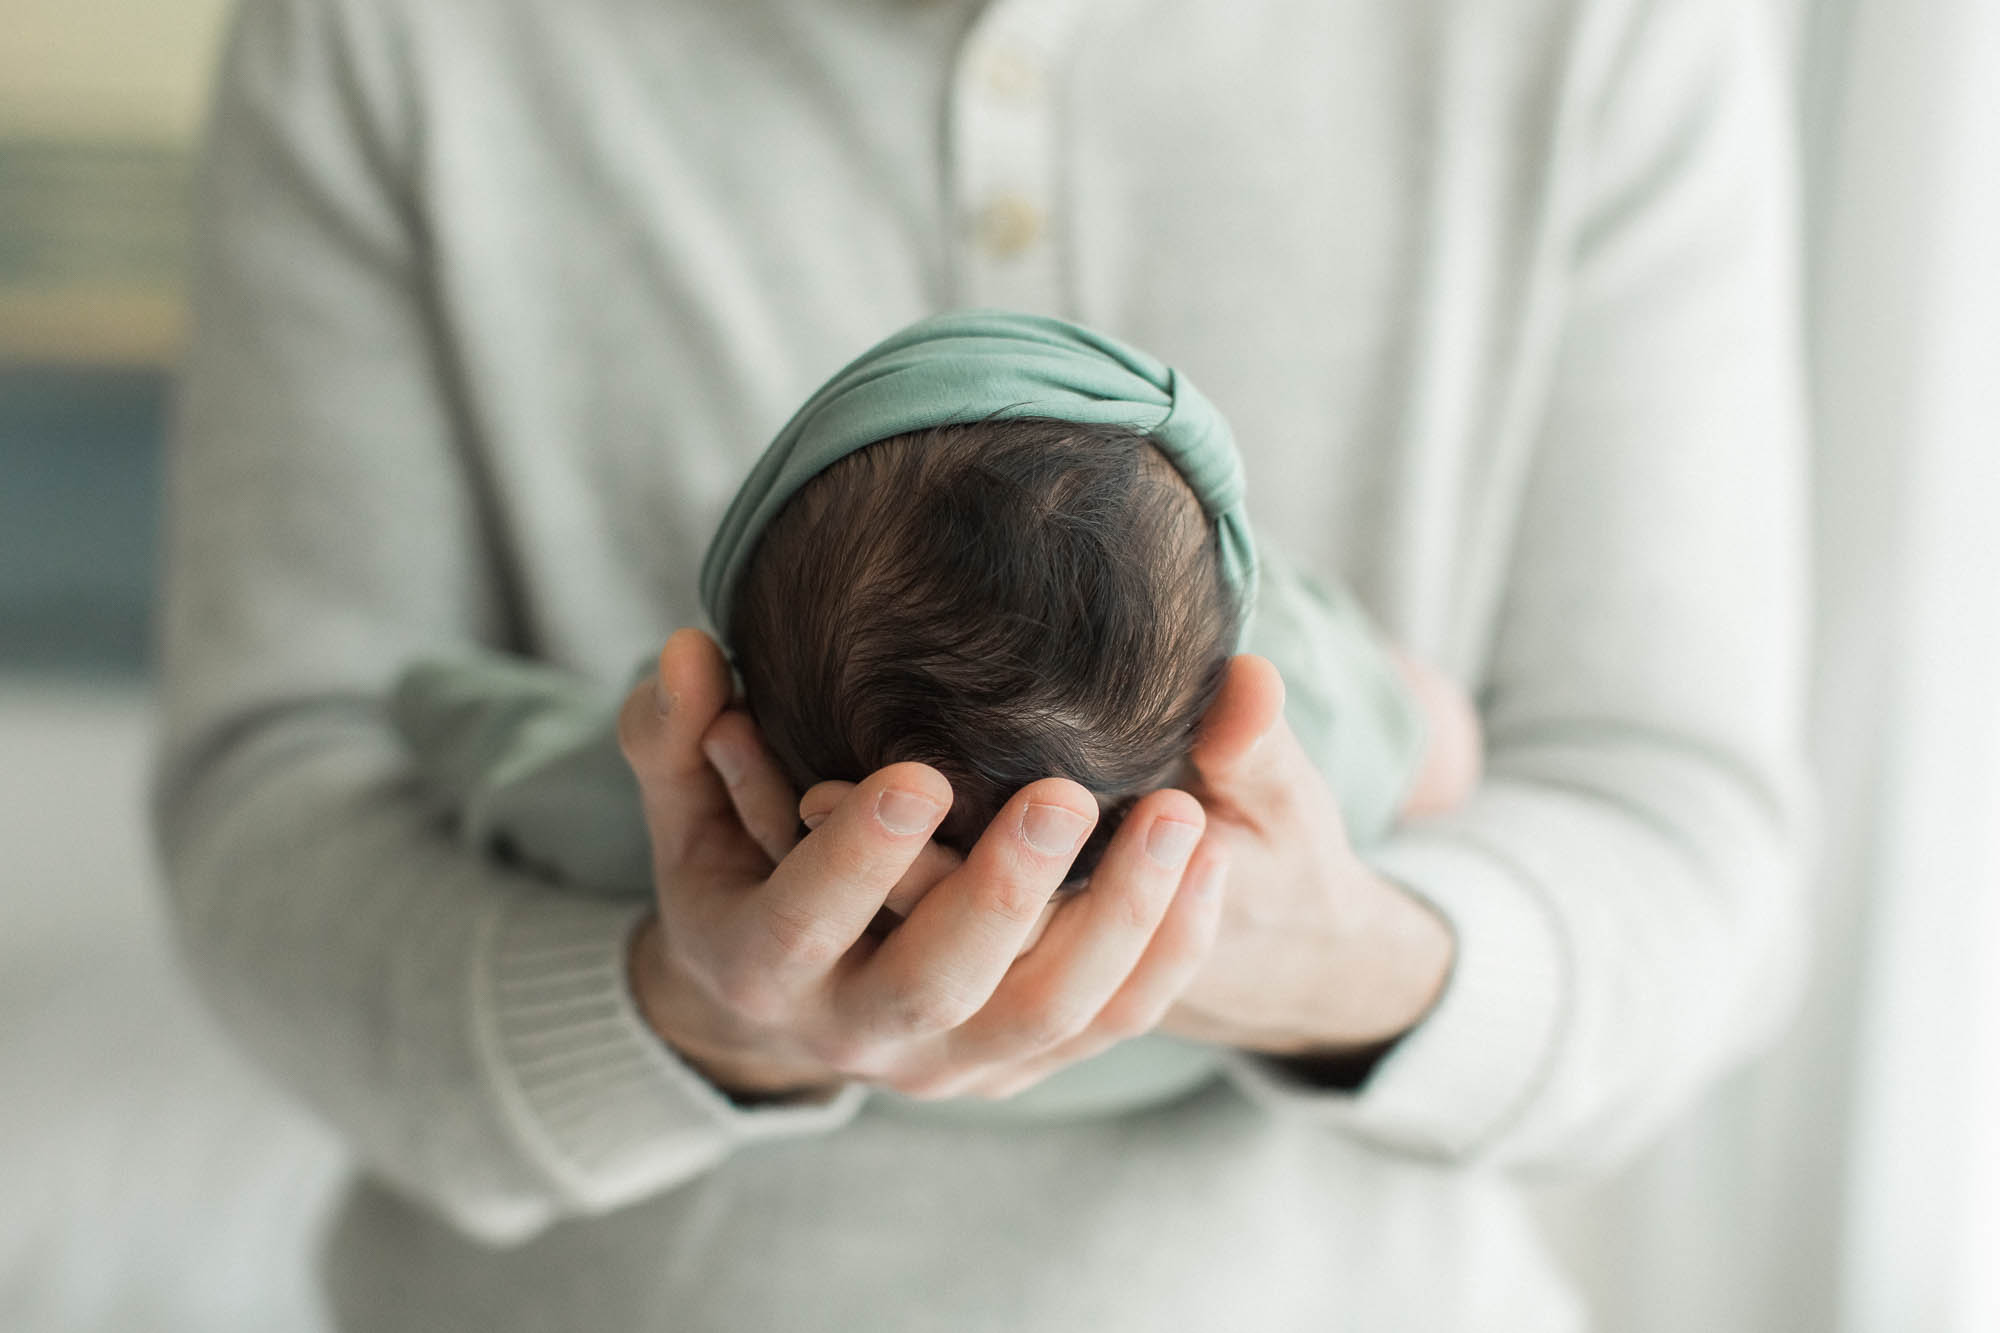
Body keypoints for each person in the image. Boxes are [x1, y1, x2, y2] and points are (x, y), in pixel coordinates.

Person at [153, 0, 1809, 1327]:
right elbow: (281, 805)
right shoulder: (381, 31)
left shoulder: (1607, 31)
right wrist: (689, 1014)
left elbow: (1686, 832)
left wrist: (1340, 966)